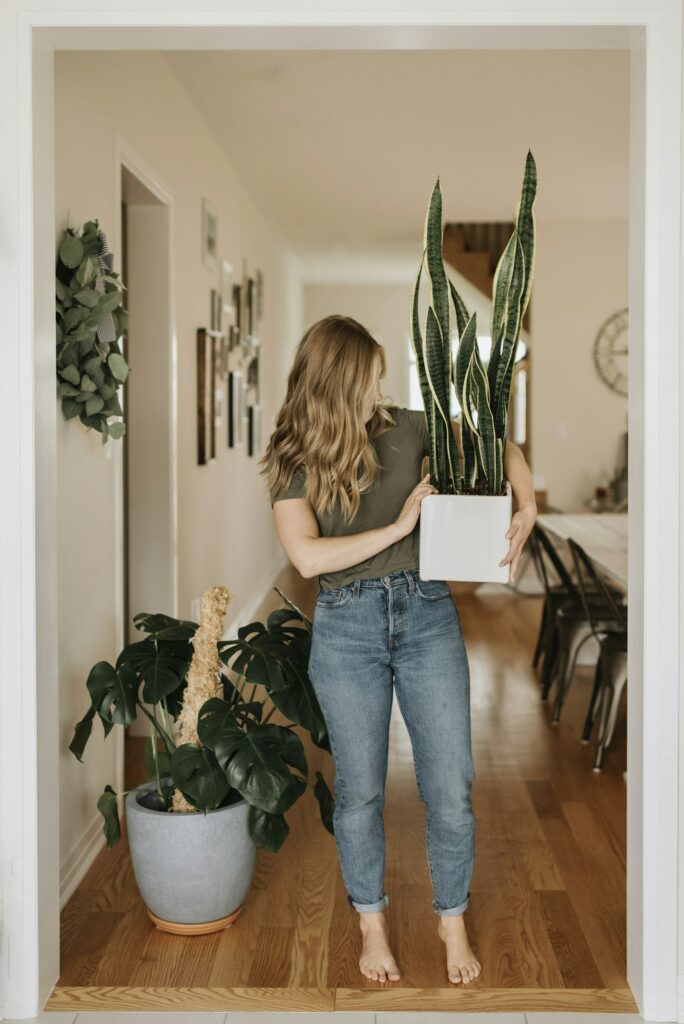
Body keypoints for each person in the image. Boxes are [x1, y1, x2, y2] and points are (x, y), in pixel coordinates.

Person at [259, 314, 537, 986]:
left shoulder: (408, 427)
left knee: (451, 785)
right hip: (347, 628)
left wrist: (526, 507)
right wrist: (402, 523)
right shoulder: (292, 458)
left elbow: (497, 444)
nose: (381, 389)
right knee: (359, 794)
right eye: (370, 376)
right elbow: (307, 554)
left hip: (427, 613)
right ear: (340, 381)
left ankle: (451, 921)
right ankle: (372, 928)